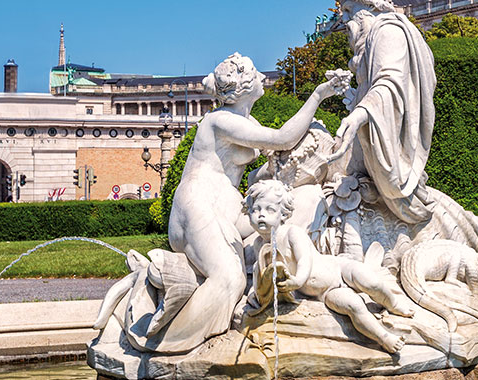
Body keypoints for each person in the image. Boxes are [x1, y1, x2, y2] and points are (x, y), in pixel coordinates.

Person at [130, 53, 346, 353]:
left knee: (301, 204)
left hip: (228, 209)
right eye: (256, 73)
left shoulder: (246, 121)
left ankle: (282, 289)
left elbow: (260, 170)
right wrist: (319, 94)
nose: (262, 78)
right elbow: (283, 138)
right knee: (229, 278)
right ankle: (161, 346)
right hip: (198, 206)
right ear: (243, 86)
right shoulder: (220, 120)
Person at [322, 0, 478, 251]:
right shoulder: (370, 41)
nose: (346, 22)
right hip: (368, 140)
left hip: (377, 137)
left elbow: (390, 83)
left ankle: (460, 229)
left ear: (370, 5)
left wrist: (359, 114)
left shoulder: (387, 31)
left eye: (350, 11)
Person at [241, 180, 413, 353]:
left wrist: (297, 281)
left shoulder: (292, 233)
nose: (261, 215)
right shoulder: (258, 245)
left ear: (283, 214)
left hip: (338, 269)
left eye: (269, 209)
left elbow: (304, 261)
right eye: (255, 210)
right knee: (353, 306)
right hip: (325, 293)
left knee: (371, 283)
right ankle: (384, 337)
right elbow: (264, 272)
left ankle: (393, 303)